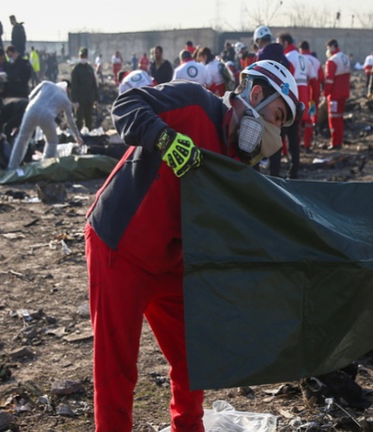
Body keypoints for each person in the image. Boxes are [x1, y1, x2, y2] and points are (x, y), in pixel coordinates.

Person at [85, 59, 301, 432]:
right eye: (278, 117)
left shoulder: (239, 159)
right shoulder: (195, 102)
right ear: (256, 94)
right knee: (117, 366)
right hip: (121, 245)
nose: (276, 133)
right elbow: (126, 105)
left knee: (192, 356)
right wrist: (164, 138)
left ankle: (188, 427)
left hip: (171, 260)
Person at [7, 80, 84, 170]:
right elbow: (70, 120)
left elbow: (31, 96)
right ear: (67, 89)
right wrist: (77, 137)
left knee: (22, 139)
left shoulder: (46, 84)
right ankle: (45, 166)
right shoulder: (65, 99)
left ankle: (12, 167)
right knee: (52, 142)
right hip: (47, 116)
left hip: (31, 110)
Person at [269, 32, 309, 179]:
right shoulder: (300, 57)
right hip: (300, 102)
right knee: (294, 141)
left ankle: (275, 174)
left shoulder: (288, 58)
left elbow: (285, 82)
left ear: (285, 43)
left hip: (289, 103)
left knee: (278, 139)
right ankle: (294, 171)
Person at [323, 38, 351, 150]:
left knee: (333, 120)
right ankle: (339, 141)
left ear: (332, 47)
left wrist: (325, 94)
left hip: (334, 95)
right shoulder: (345, 58)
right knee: (339, 118)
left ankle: (335, 143)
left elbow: (329, 80)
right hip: (344, 94)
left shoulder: (332, 60)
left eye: (328, 48)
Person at [299, 41, 322, 151]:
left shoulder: (298, 58)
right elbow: (320, 79)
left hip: (300, 93)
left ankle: (296, 145)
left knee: (298, 121)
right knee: (309, 120)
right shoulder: (316, 61)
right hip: (312, 95)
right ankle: (307, 144)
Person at [70, 47, 99, 131]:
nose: (83, 58)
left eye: (84, 56)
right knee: (78, 121)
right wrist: (74, 101)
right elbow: (74, 86)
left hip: (89, 99)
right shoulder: (76, 69)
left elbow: (94, 84)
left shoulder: (90, 68)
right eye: (81, 56)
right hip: (80, 100)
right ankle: (78, 137)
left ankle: (88, 137)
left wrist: (96, 98)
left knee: (89, 120)